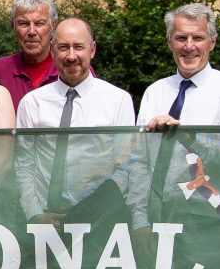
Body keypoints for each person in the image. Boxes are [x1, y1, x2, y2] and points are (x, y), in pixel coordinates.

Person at [15, 17, 141, 224]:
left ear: (92, 50)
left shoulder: (118, 100)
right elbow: (24, 166)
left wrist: (92, 214)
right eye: (64, 47)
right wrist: (34, 214)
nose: (71, 56)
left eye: (78, 47)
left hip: (100, 220)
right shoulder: (32, 102)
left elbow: (124, 167)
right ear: (53, 51)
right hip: (45, 219)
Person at [137, 3, 220, 218]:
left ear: (212, 42)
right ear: (169, 42)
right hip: (156, 211)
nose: (189, 46)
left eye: (198, 38)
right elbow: (139, 161)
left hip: (208, 213)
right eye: (181, 38)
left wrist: (189, 137)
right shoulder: (154, 92)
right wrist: (140, 218)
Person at [0, 0, 59, 114]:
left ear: (53, 26)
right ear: (13, 27)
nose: (32, 31)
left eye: (39, 23)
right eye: (23, 23)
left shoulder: (71, 68)